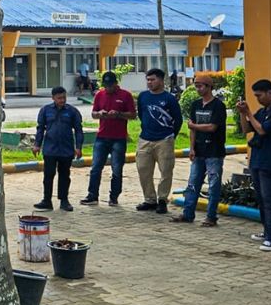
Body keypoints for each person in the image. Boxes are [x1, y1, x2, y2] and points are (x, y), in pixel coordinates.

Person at [236, 79, 271, 252]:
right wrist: (243, 114)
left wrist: (249, 113)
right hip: (258, 160)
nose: (257, 99)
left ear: (270, 93)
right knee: (261, 198)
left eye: (259, 95)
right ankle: (268, 231)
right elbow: (247, 129)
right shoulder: (262, 111)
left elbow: (262, 130)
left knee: (269, 200)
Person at [176, 74, 226, 225]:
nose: (198, 89)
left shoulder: (218, 106)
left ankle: (211, 216)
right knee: (193, 183)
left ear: (209, 87)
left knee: (213, 185)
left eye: (200, 86)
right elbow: (192, 129)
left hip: (214, 151)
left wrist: (194, 126)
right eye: (196, 86)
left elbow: (212, 127)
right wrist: (191, 148)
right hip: (199, 150)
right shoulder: (196, 105)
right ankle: (188, 214)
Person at [82, 71, 136, 206]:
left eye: (110, 85)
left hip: (119, 137)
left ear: (116, 83)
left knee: (117, 169)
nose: (108, 88)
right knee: (95, 168)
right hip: (102, 136)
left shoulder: (125, 95)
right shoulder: (100, 95)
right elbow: (93, 114)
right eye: (106, 85)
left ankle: (114, 196)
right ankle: (92, 195)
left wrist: (118, 114)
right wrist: (100, 113)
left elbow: (132, 115)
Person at [135, 68, 182, 214]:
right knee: (143, 169)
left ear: (161, 80)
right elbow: (141, 115)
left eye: (153, 79)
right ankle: (150, 199)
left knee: (166, 171)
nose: (149, 82)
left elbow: (178, 119)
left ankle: (162, 199)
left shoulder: (169, 98)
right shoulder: (143, 96)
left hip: (164, 140)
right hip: (145, 139)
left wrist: (171, 136)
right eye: (148, 80)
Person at [32, 86, 84, 212]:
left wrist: (78, 147)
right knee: (48, 175)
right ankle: (47, 200)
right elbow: (40, 129)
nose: (62, 100)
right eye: (59, 98)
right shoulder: (45, 110)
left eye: (64, 97)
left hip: (66, 149)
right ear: (53, 98)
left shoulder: (72, 111)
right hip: (50, 149)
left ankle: (64, 200)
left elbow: (78, 130)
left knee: (64, 175)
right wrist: (37, 144)